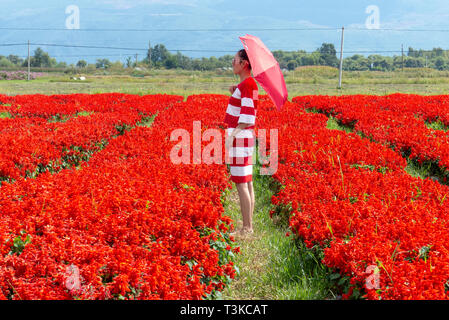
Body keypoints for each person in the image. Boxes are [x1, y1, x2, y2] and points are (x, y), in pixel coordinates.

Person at [224, 49, 258, 235]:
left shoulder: (247, 85)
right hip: (246, 138)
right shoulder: (248, 84)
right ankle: (248, 225)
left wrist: (232, 136)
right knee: (248, 181)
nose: (232, 62)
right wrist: (235, 91)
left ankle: (246, 228)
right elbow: (245, 105)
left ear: (244, 64)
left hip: (241, 137)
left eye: (235, 59)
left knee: (241, 183)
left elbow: (247, 117)